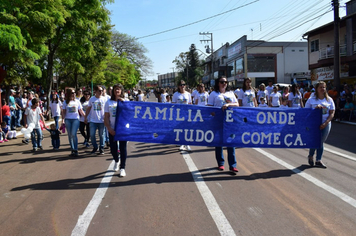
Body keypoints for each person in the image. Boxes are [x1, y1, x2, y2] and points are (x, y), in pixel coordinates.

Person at [207, 76, 239, 173]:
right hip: (218, 121)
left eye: (225, 82)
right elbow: (209, 108)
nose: (224, 83)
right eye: (222, 82)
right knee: (219, 143)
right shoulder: (213, 94)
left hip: (230, 122)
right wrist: (215, 113)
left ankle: (233, 165)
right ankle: (221, 163)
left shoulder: (230, 93)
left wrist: (228, 105)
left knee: (231, 142)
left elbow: (237, 104)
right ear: (218, 83)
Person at [305, 81, 335, 168]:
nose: (322, 89)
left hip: (326, 123)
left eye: (324, 87)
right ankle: (311, 156)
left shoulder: (329, 100)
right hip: (314, 124)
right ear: (316, 89)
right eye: (320, 87)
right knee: (315, 141)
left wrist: (326, 123)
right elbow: (305, 112)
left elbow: (332, 113)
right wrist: (315, 109)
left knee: (321, 141)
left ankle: (318, 160)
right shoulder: (311, 100)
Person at [104, 84, 129, 177]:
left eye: (118, 89)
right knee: (113, 149)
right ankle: (116, 160)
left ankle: (122, 168)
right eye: (115, 89)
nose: (117, 91)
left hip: (122, 129)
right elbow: (106, 117)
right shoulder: (108, 102)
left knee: (123, 149)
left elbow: (130, 114)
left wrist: (124, 103)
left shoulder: (126, 101)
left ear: (121, 91)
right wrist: (109, 128)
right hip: (112, 129)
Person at [62, 88, 84, 157]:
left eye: (74, 93)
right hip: (68, 119)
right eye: (72, 93)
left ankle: (76, 149)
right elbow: (63, 112)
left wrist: (86, 117)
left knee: (73, 134)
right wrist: (63, 120)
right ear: (68, 94)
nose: (74, 94)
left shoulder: (77, 101)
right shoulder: (65, 102)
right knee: (69, 135)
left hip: (76, 119)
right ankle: (72, 149)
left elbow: (81, 110)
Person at [84, 85, 106, 155]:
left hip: (102, 120)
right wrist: (85, 117)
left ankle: (101, 147)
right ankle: (95, 147)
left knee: (101, 135)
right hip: (93, 120)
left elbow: (107, 110)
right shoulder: (92, 99)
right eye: (99, 90)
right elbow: (88, 108)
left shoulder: (104, 99)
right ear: (95, 91)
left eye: (102, 90)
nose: (101, 92)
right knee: (92, 134)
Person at [172, 80, 192, 151]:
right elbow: (173, 105)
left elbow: (190, 104)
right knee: (180, 129)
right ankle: (181, 143)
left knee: (187, 129)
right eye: (180, 85)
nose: (182, 86)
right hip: (178, 115)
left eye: (183, 84)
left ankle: (187, 144)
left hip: (186, 114)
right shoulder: (175, 94)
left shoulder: (188, 94)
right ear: (178, 86)